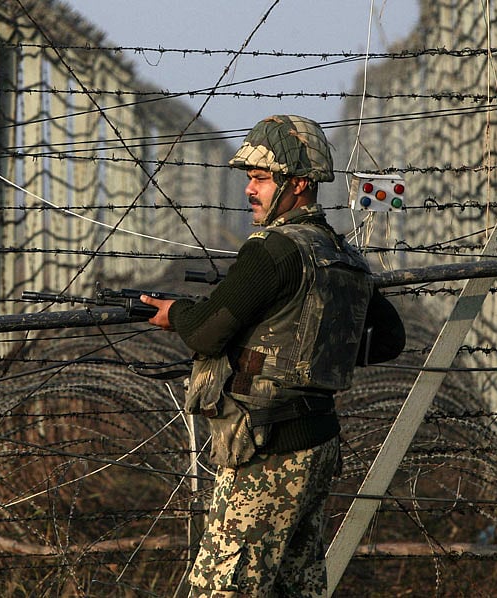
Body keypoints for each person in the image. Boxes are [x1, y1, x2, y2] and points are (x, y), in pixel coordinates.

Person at [140, 115, 404, 597]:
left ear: (298, 183)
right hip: (318, 442)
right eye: (250, 178)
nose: (250, 190)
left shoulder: (273, 250)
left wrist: (176, 313)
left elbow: (205, 332)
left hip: (267, 447)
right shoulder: (340, 252)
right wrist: (311, 348)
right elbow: (388, 340)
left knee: (225, 586)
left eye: (261, 178)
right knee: (293, 585)